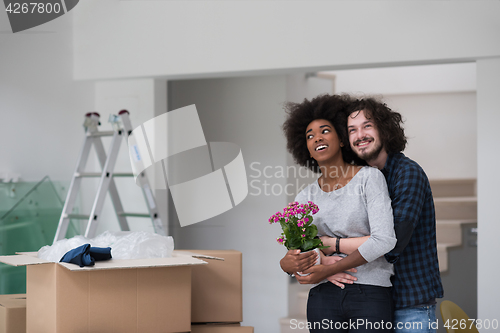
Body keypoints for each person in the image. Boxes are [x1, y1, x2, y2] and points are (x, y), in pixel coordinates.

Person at [280, 94, 397, 332]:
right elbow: (300, 252)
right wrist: (294, 264)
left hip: (370, 293)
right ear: (307, 150)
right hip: (323, 297)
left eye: (325, 131)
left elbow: (384, 240)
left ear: (342, 139)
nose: (317, 138)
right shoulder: (305, 197)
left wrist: (330, 266)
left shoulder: (369, 178)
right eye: (309, 136)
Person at [343, 98, 443, 333]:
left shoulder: (408, 173)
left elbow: (391, 243)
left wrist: (333, 244)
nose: (360, 135)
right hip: (373, 301)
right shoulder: (359, 179)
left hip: (410, 305)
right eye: (352, 130)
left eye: (367, 125)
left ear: (383, 130)